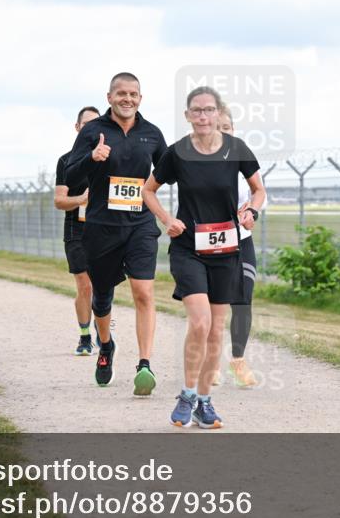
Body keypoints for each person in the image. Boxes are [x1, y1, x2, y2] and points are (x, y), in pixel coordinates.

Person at [143, 86, 265, 428]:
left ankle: (204, 402)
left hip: (226, 250)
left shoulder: (236, 149)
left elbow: (258, 189)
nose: (203, 116)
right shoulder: (177, 153)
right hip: (188, 248)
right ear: (187, 115)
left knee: (215, 330)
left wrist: (252, 211)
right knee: (200, 323)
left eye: (209, 110)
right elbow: (148, 190)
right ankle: (187, 394)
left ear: (218, 113)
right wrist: (166, 219)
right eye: (196, 110)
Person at [65, 72, 166, 394]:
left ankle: (144, 365)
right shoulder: (93, 131)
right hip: (102, 227)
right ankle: (106, 346)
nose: (128, 99)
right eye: (121, 93)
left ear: (140, 98)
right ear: (109, 97)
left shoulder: (152, 134)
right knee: (102, 296)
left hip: (140, 224)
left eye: (133, 94)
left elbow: (169, 170)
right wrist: (91, 158)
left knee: (144, 292)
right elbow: (70, 173)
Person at [216, 107, 259, 388]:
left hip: (242, 241)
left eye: (227, 128)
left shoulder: (242, 157)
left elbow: (259, 193)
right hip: (212, 243)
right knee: (214, 305)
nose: (222, 133)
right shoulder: (196, 163)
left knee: (243, 301)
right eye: (216, 128)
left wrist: (251, 212)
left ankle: (238, 360)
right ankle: (210, 363)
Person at [55, 106, 100, 356]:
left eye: (96, 124)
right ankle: (85, 336)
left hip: (105, 229)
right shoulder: (66, 161)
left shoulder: (108, 157)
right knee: (85, 285)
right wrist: (81, 199)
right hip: (77, 230)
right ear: (77, 128)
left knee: (102, 285)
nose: (91, 130)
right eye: (86, 125)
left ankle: (103, 328)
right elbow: (59, 201)